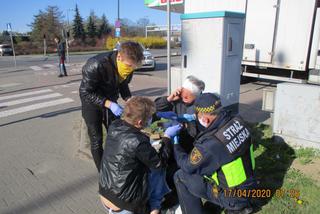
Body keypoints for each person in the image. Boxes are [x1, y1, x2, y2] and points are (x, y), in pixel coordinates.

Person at [173, 93, 256, 214]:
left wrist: (175, 143)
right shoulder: (237, 120)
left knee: (180, 176)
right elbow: (213, 126)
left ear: (205, 119)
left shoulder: (210, 144)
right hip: (249, 185)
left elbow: (187, 165)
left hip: (233, 197)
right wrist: (193, 120)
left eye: (198, 116)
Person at [99, 96, 182, 214]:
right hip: (124, 204)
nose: (150, 119)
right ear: (139, 122)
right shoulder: (138, 142)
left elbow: (134, 123)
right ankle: (155, 209)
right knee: (157, 171)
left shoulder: (115, 126)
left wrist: (157, 115)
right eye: (149, 118)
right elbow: (160, 161)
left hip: (106, 192)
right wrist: (167, 137)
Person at [79, 41, 144, 171]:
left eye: (133, 67)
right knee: (97, 140)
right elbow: (85, 92)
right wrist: (109, 104)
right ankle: (103, 173)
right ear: (119, 57)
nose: (130, 70)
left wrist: (128, 99)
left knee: (116, 135)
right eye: (129, 66)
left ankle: (115, 165)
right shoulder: (96, 64)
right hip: (92, 105)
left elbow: (123, 84)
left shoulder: (128, 66)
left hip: (111, 103)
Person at [155, 75, 205, 153]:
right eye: (183, 94)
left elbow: (197, 132)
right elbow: (156, 108)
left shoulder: (202, 105)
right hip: (174, 144)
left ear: (196, 96)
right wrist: (169, 99)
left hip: (191, 147)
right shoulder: (177, 99)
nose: (184, 97)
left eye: (188, 96)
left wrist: (184, 126)